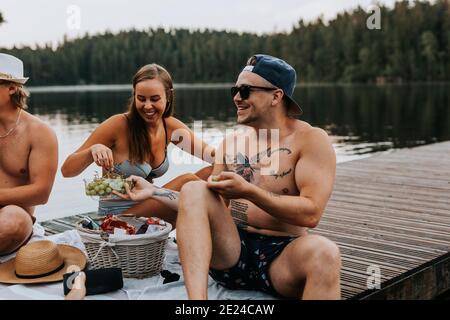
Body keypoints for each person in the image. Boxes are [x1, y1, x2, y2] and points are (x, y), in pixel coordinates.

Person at [61, 64, 215, 227]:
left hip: (149, 208)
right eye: (141, 99)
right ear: (134, 96)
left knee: (213, 173)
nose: (147, 106)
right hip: (117, 218)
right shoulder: (118, 125)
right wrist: (93, 150)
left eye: (154, 99)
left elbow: (215, 157)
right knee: (189, 182)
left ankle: (225, 231)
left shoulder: (170, 127)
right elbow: (67, 170)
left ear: (168, 96)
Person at [0, 53, 58, 255]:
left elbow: (41, 193)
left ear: (12, 88)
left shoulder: (39, 132)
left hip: (15, 214)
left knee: (11, 222)